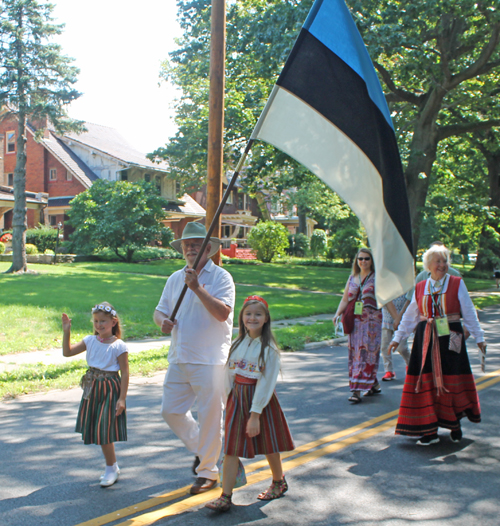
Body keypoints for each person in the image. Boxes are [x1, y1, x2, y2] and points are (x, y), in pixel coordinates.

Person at [154, 222, 235, 495]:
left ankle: (208, 472)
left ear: (208, 249)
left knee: (211, 417)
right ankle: (207, 452)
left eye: (195, 244)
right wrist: (162, 322)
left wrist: (198, 288)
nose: (189, 248)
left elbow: (223, 314)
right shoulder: (174, 278)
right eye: (186, 245)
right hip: (179, 357)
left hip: (210, 360)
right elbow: (160, 311)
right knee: (171, 410)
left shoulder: (222, 277)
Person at [388, 245, 486, 445]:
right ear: (428, 265)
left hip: (451, 336)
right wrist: (397, 338)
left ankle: (454, 423)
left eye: (444, 261)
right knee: (427, 382)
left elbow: (468, 312)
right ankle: (429, 429)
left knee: (451, 381)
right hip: (425, 339)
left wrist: (479, 337)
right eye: (437, 261)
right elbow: (410, 316)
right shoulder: (421, 287)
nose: (442, 265)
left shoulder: (457, 283)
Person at [205, 296, 295, 512]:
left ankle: (278, 481)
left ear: (266, 319)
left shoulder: (268, 349)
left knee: (268, 443)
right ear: (242, 317)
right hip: (237, 399)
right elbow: (229, 375)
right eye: (248, 314)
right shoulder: (237, 344)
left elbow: (266, 384)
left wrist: (255, 414)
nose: (252, 318)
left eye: (258, 314)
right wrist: (228, 401)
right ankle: (226, 497)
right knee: (231, 448)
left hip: (259, 402)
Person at [62, 302, 129, 487]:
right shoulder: (90, 341)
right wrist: (67, 330)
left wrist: (122, 398)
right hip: (93, 388)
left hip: (110, 389)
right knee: (99, 429)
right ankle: (112, 466)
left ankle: (111, 468)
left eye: (103, 321)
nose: (99, 325)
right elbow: (67, 352)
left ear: (113, 322)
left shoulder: (119, 346)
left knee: (104, 430)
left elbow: (125, 373)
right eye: (96, 321)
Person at [333, 248, 382, 404]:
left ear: (372, 260)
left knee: (369, 355)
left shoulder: (377, 278)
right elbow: (345, 299)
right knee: (356, 355)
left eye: (367, 258)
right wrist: (337, 314)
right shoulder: (352, 278)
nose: (363, 261)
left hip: (372, 323)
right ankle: (360, 388)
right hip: (355, 322)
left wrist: (396, 318)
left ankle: (364, 386)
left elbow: (385, 300)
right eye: (360, 258)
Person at [380, 295, 410, 381]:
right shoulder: (386, 286)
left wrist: (399, 319)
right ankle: (389, 371)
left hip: (402, 322)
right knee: (385, 347)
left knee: (402, 348)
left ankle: (410, 364)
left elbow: (409, 300)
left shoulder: (405, 287)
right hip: (386, 320)